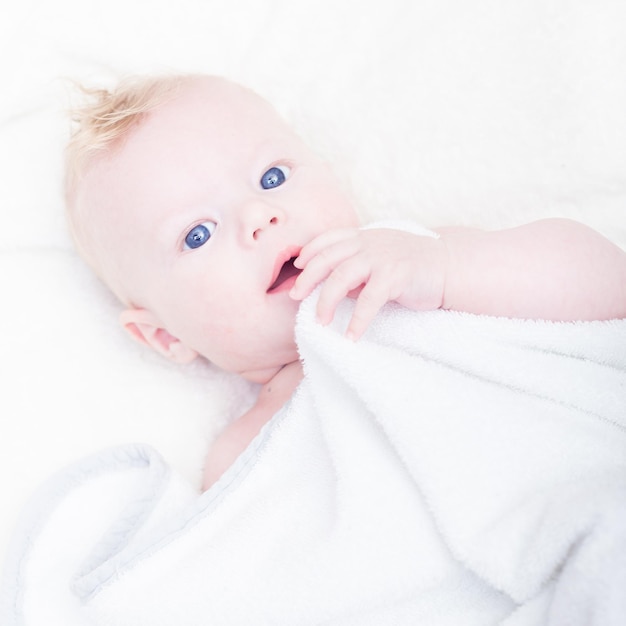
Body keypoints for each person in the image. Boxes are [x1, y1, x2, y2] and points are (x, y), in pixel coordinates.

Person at [65, 73, 626, 488]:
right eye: (197, 234)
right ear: (167, 338)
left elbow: (609, 284)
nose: (259, 215)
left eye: (272, 176)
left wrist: (447, 269)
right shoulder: (243, 460)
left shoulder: (427, 262)